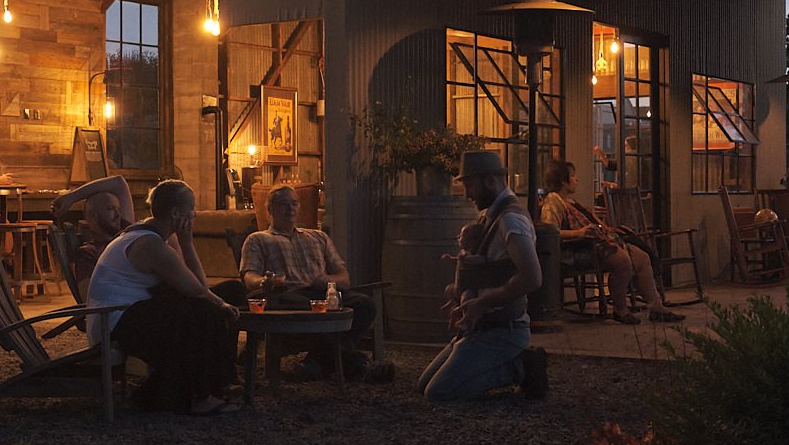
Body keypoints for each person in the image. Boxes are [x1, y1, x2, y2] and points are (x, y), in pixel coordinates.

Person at [83, 179, 238, 414]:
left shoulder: (149, 233)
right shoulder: (151, 245)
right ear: (175, 213)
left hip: (133, 311)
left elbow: (193, 286)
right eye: (192, 208)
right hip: (113, 321)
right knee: (205, 310)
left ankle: (218, 382)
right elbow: (198, 288)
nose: (195, 214)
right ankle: (201, 396)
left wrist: (222, 299)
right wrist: (187, 243)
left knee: (232, 290)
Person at [420, 150, 548, 403]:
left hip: (503, 329)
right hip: (485, 326)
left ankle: (521, 367)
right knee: (424, 383)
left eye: (469, 185)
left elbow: (532, 278)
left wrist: (481, 303)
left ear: (490, 181)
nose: (466, 194)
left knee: (439, 392)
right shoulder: (490, 215)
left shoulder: (511, 220)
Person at [240, 184, 390, 383]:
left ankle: (316, 364)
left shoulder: (318, 237)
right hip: (287, 294)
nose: (290, 208)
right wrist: (263, 282)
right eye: (283, 204)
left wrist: (327, 281)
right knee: (315, 309)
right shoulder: (258, 239)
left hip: (321, 292)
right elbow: (249, 276)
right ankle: (359, 365)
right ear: (270, 210)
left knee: (365, 304)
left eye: (294, 203)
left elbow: (344, 279)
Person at [539, 160, 683, 325]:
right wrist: (579, 233)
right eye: (572, 176)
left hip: (595, 245)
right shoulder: (553, 202)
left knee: (642, 257)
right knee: (621, 260)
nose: (576, 179)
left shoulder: (571, 202)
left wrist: (610, 230)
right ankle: (620, 310)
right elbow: (549, 233)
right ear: (562, 181)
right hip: (575, 251)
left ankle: (656, 307)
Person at [52, 174, 136, 301]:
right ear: (93, 217)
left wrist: (71, 198)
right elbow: (89, 298)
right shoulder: (88, 253)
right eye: (110, 209)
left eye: (118, 209)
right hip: (123, 309)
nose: (118, 214)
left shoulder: (124, 233)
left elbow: (119, 182)